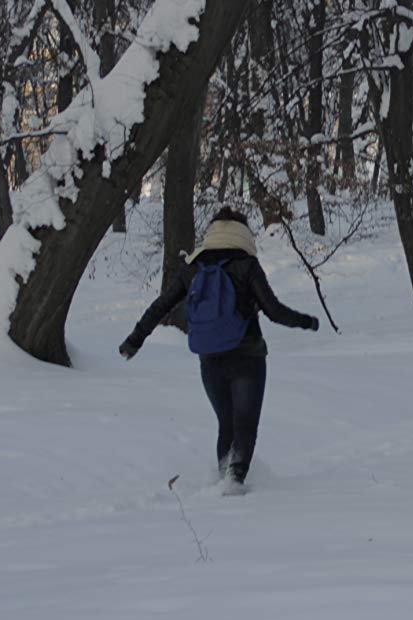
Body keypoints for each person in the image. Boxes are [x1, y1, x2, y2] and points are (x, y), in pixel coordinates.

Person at [119, 207, 320, 494]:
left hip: (210, 358)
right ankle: (233, 483)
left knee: (226, 422)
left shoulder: (193, 266)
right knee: (245, 423)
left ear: (213, 232)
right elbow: (274, 311)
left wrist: (134, 341)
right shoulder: (247, 264)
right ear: (243, 233)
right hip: (248, 356)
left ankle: (224, 481)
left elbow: (161, 306)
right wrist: (307, 322)